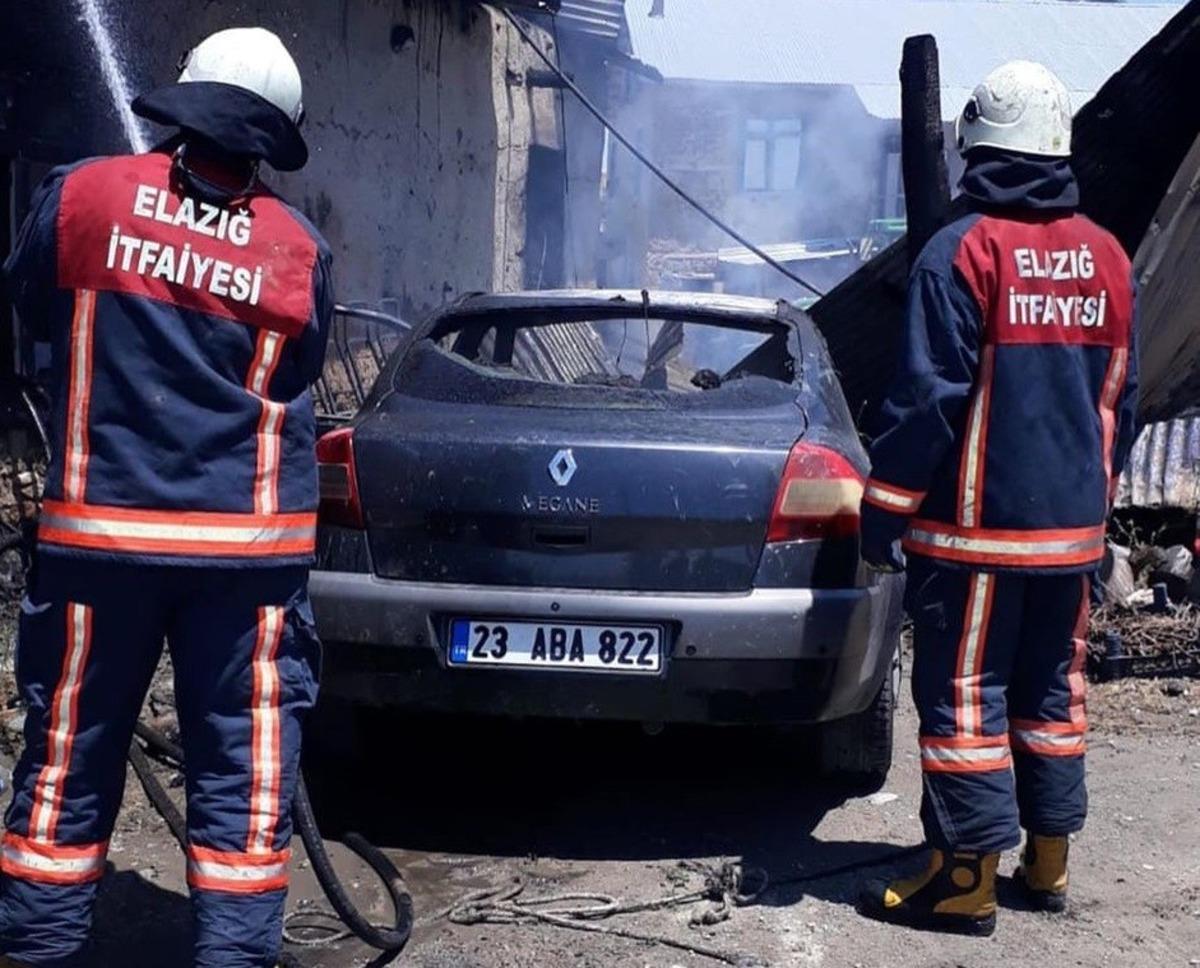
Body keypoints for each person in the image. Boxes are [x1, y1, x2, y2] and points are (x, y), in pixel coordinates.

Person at [0, 27, 333, 967]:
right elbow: (301, 369)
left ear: (185, 100)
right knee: (241, 773)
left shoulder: (82, 196)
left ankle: (43, 950)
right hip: (245, 567)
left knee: (68, 754)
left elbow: (30, 302)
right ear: (273, 136)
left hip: (96, 547)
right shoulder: (296, 251)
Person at [856, 61, 1137, 936]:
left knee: (966, 698)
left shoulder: (962, 251)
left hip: (974, 541)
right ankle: (1046, 861)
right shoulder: (1108, 257)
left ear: (976, 141)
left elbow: (923, 403)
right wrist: (1089, 514)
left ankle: (965, 877)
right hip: (1071, 540)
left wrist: (882, 513)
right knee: (1052, 695)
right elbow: (1118, 404)